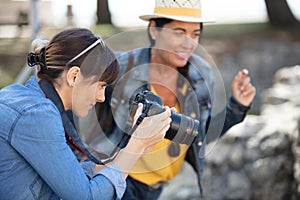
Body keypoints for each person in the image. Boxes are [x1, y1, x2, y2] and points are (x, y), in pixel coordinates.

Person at [91, 0, 257, 199]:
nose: (189, 43)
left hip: (157, 188)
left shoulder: (200, 74)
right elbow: (81, 115)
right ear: (154, 29)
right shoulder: (122, 68)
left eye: (195, 34)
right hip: (118, 181)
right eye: (179, 32)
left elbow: (199, 134)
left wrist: (237, 107)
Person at [0, 28, 172, 200]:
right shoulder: (37, 115)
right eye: (101, 86)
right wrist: (137, 145)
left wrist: (137, 145)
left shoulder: (20, 97)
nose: (101, 98)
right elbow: (87, 196)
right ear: (74, 77)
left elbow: (68, 179)